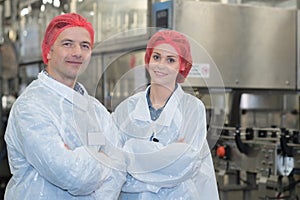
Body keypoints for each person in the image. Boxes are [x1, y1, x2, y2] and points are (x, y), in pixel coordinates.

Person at [4, 13, 125, 200]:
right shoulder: (30, 107)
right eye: (67, 44)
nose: (77, 52)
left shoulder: (97, 110)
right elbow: (72, 175)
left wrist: (84, 159)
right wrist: (102, 157)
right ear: (49, 51)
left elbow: (119, 168)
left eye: (85, 46)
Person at [111, 29, 220, 199]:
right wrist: (168, 153)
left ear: (182, 66)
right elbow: (113, 162)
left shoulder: (192, 108)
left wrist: (131, 150)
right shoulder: (126, 108)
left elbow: (183, 167)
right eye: (156, 57)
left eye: (170, 60)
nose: (161, 65)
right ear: (147, 60)